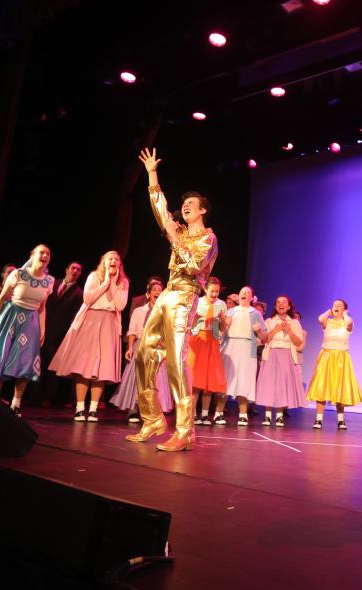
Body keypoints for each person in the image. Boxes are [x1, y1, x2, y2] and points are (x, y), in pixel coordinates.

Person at [128, 147, 218, 452]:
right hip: (166, 295)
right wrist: (152, 173)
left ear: (203, 210)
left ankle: (185, 430)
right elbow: (160, 207)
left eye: (191, 204)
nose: (186, 206)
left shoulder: (208, 238)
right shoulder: (178, 228)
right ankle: (152, 418)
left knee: (177, 362)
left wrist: (174, 238)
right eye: (184, 204)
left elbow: (194, 267)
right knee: (144, 354)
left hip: (185, 297)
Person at [0, 244, 55, 417]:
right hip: (11, 318)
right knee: (2, 358)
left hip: (31, 322)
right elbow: (0, 299)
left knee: (27, 362)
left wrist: (42, 328)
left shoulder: (49, 281)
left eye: (48, 254)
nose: (45, 255)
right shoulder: (18, 274)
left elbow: (42, 307)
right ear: (33, 255)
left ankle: (16, 404)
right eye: (41, 252)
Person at [49, 251, 129, 422]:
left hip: (109, 323)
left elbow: (120, 305)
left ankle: (93, 409)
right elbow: (87, 298)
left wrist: (113, 284)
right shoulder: (94, 276)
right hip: (90, 320)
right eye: (110, 259)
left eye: (116, 259)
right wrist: (105, 282)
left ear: (119, 264)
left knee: (101, 370)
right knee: (84, 367)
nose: (113, 261)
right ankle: (79, 408)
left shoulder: (123, 282)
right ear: (104, 262)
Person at [109, 278, 173, 419]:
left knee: (156, 380)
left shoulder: (165, 313)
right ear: (148, 294)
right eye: (154, 290)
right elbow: (132, 331)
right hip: (141, 346)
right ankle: (133, 409)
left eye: (159, 290)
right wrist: (130, 348)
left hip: (158, 348)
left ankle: (152, 411)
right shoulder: (139, 311)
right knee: (137, 379)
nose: (157, 292)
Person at [306, 299, 362, 430]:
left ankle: (341, 420)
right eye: (334, 305)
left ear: (345, 309)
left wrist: (345, 314)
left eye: (340, 306)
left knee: (340, 388)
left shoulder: (347, 322)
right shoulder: (328, 322)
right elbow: (320, 319)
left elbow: (349, 322)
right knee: (321, 386)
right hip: (326, 356)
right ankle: (319, 419)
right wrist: (329, 311)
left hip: (341, 358)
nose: (336, 307)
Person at [217, 286, 267, 426]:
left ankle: (243, 414)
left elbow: (265, 337)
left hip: (247, 348)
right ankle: (218, 412)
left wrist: (259, 331)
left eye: (247, 293)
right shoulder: (230, 311)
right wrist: (223, 323)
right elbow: (221, 332)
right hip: (230, 347)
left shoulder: (256, 313)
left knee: (244, 381)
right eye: (242, 292)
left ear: (252, 297)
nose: (244, 294)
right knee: (225, 381)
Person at [37, 261, 84, 407]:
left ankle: (47, 398)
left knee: (52, 369)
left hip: (60, 335)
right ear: (66, 269)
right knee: (37, 365)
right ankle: (34, 397)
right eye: (73, 268)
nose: (75, 271)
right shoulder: (53, 284)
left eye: (78, 270)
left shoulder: (79, 293)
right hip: (42, 330)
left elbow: (74, 317)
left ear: (80, 274)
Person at [257, 295, 306, 427]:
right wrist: (276, 330)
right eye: (278, 302)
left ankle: (279, 416)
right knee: (269, 384)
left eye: (284, 302)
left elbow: (298, 342)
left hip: (286, 355)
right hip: (271, 353)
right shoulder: (269, 321)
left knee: (282, 385)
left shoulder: (294, 322)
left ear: (289, 306)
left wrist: (289, 331)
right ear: (275, 306)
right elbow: (265, 339)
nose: (281, 304)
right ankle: (267, 416)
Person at [190, 277, 228, 425]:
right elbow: (190, 325)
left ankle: (205, 414)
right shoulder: (197, 302)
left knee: (209, 380)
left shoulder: (221, 305)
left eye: (217, 292)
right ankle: (192, 413)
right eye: (212, 291)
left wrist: (223, 319)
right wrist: (196, 319)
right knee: (196, 379)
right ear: (205, 289)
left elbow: (222, 329)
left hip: (212, 341)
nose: (214, 294)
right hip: (198, 340)